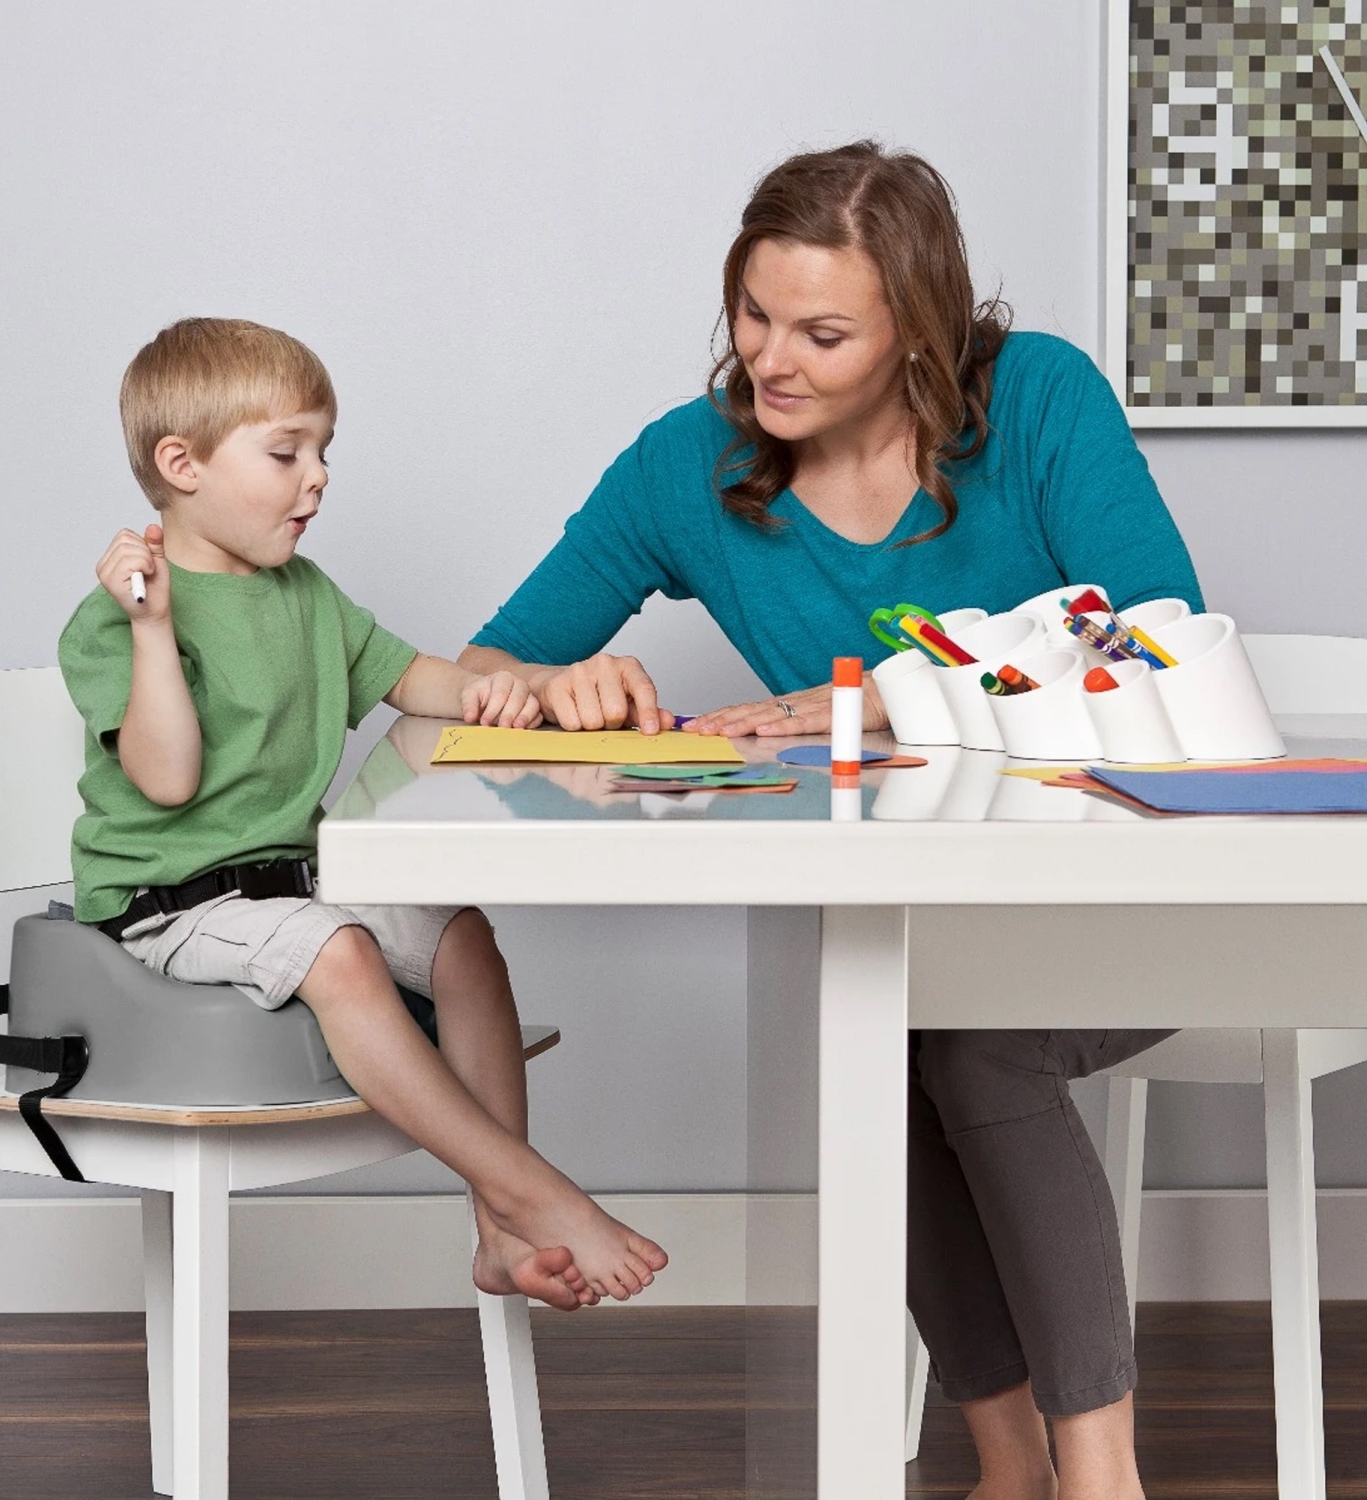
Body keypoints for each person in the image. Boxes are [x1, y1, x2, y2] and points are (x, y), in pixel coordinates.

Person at [460, 142, 1202, 1498]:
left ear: (916, 331)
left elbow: (1156, 643)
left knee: (961, 1035)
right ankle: (1008, 1472)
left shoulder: (1038, 400)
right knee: (888, 1031)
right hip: (931, 927)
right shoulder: (691, 466)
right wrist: (550, 685)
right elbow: (465, 680)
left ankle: (1100, 1479)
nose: (769, 362)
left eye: (821, 332)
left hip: (1138, 898)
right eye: (752, 315)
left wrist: (890, 695)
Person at [59, 317, 667, 1311]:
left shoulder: (306, 594)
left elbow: (418, 678)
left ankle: (497, 1234)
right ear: (184, 464)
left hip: (293, 889)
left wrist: (519, 692)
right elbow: (166, 780)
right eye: (287, 451)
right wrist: (154, 625)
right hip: (170, 900)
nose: (319, 477)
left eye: (324, 451)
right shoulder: (114, 622)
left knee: (460, 938)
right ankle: (531, 1192)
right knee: (340, 951)